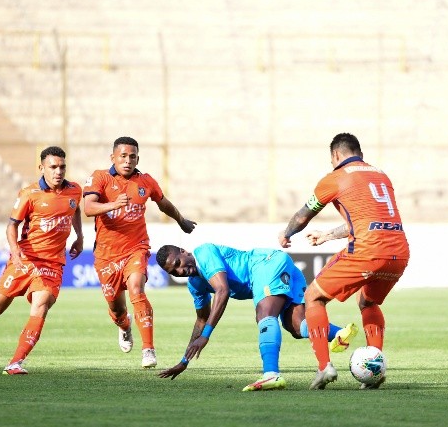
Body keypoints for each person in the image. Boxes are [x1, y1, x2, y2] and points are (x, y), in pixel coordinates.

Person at [278, 132, 410, 390]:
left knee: (313, 296)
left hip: (367, 251)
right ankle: (375, 370)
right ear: (359, 153)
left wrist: (287, 233)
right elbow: (362, 221)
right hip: (399, 252)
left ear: (336, 155)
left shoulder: (335, 177)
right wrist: (328, 235)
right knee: (368, 301)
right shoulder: (381, 176)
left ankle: (324, 367)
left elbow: (304, 215)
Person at [0, 146, 84, 375]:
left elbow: (75, 210)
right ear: (41, 168)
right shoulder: (29, 194)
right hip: (26, 259)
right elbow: (12, 225)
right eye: (53, 167)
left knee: (41, 305)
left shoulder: (74, 190)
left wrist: (79, 236)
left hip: (52, 264)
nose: (58, 171)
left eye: (62, 167)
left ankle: (15, 362)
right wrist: (15, 250)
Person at [155, 243, 358, 391]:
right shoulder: (195, 285)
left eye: (178, 263)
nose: (181, 270)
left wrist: (206, 336)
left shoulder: (203, 252)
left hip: (265, 264)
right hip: (281, 265)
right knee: (297, 327)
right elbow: (201, 320)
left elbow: (222, 291)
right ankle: (339, 333)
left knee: (264, 313)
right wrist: (184, 361)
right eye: (175, 272)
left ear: (184, 251)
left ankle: (271, 374)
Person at [83, 136, 196, 368]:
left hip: (136, 247)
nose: (127, 161)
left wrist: (181, 220)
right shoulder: (100, 178)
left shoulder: (145, 181)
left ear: (137, 159)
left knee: (136, 288)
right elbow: (88, 207)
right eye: (123, 156)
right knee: (116, 308)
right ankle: (124, 326)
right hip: (106, 255)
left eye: (132, 156)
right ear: (113, 157)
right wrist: (113, 205)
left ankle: (148, 349)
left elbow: (163, 203)